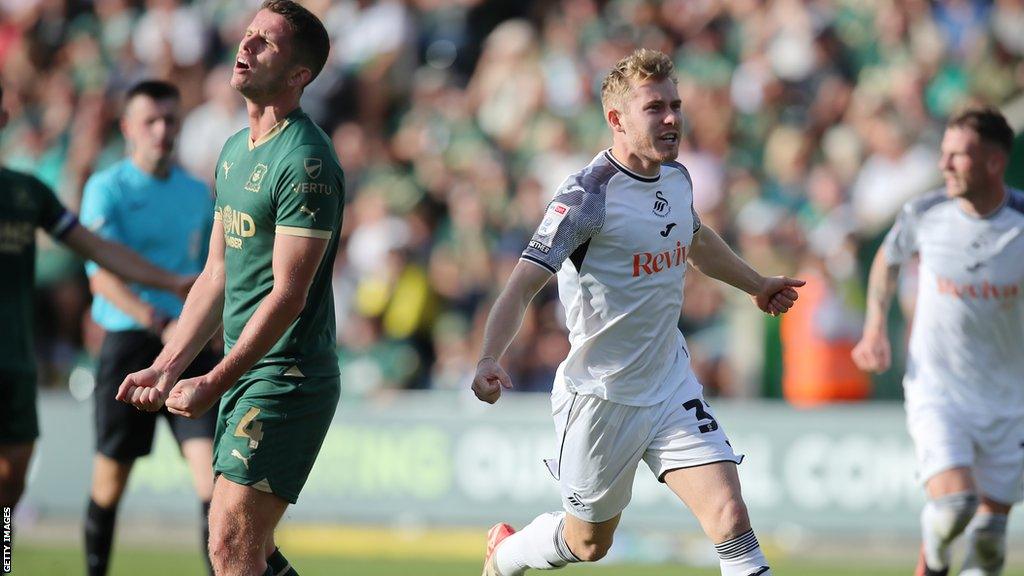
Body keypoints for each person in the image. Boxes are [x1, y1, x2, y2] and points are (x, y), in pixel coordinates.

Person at [472, 48, 803, 576]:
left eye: (675, 104)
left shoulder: (677, 179)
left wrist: (755, 283)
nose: (672, 117)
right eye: (655, 108)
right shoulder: (586, 198)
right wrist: (490, 355)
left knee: (730, 516)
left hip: (670, 383)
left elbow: (694, 237)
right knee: (588, 544)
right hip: (602, 397)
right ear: (616, 120)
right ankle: (507, 554)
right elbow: (520, 287)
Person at [116, 2, 344, 575]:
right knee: (253, 548)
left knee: (228, 543)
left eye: (266, 42)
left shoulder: (307, 160)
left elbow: (289, 297)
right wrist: (168, 365)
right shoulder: (233, 151)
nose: (246, 47)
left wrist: (214, 379)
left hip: (286, 372)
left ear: (299, 76)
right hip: (248, 372)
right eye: (247, 35)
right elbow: (215, 275)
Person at [0, 82, 194, 510]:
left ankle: (5, 556)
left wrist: (172, 282)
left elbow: (98, 248)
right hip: (94, 344)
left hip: (13, 359)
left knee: (12, 477)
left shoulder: (26, 193)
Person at [852, 107, 1022, 576]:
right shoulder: (925, 214)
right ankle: (937, 561)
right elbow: (887, 260)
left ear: (992, 162)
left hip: (1010, 400)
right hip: (938, 389)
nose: (944, 165)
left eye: (957, 156)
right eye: (943, 154)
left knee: (989, 542)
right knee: (955, 506)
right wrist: (874, 328)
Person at [79, 80, 217, 576]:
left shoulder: (198, 193)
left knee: (214, 484)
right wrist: (155, 318)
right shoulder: (107, 187)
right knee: (108, 484)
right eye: (151, 122)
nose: (162, 131)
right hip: (131, 344)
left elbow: (209, 274)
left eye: (170, 120)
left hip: (189, 346)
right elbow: (102, 277)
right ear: (128, 129)